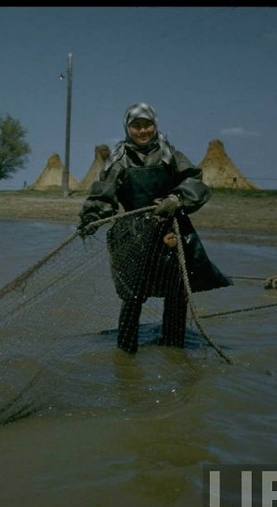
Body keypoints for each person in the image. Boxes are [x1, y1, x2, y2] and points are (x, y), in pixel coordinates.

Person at [77, 102, 231, 353]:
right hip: (134, 235)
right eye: (135, 125)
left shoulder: (169, 154)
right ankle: (126, 356)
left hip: (170, 231)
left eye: (147, 125)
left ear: (155, 125)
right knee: (132, 296)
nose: (142, 131)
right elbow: (104, 194)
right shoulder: (119, 159)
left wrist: (176, 199)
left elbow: (195, 182)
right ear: (127, 128)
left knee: (176, 292)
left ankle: (174, 348)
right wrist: (91, 216)